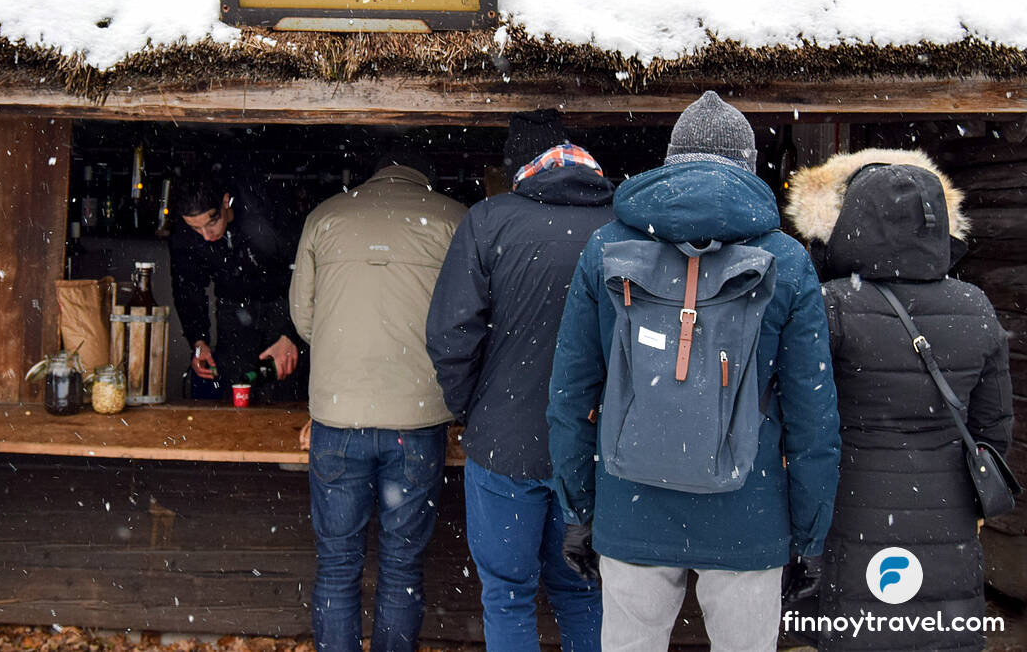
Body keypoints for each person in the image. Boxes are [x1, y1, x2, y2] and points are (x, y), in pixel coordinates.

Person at [547, 90, 841, 652]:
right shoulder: (789, 261)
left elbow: (569, 396)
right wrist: (809, 536)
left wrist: (580, 509)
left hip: (630, 506)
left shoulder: (605, 248)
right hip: (747, 515)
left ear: (669, 162)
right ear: (749, 168)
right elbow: (813, 421)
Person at [786, 150, 1014, 651]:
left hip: (851, 507)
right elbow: (995, 428)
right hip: (947, 512)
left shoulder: (829, 305)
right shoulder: (975, 306)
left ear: (853, 222)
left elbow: (804, 418)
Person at [426, 110, 612, 652]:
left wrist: (472, 409)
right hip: (592, 443)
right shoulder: (622, 227)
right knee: (582, 591)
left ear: (519, 169)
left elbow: (450, 335)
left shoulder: (488, 220)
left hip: (505, 442)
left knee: (507, 593)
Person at [290, 147, 466, 652]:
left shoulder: (325, 216)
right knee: (402, 565)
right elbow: (470, 324)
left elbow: (304, 320)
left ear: (374, 172)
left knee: (338, 563)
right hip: (416, 419)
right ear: (424, 176)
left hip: (337, 417)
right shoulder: (454, 219)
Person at [169, 165, 305, 400]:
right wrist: (198, 341)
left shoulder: (265, 215)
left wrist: (290, 334)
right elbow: (188, 287)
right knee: (237, 389)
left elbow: (304, 274)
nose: (206, 235)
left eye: (211, 223)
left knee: (285, 392)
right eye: (195, 228)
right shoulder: (186, 235)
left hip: (284, 303)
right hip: (233, 310)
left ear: (225, 201)